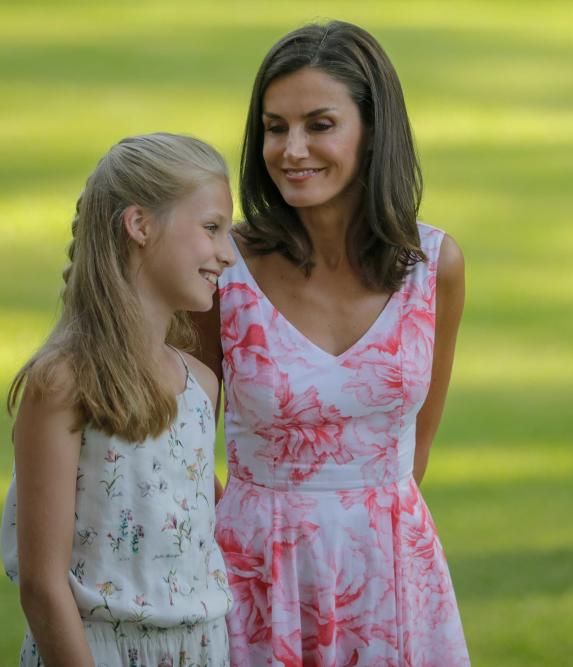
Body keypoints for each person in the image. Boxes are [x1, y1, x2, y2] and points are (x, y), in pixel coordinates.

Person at [194, 20, 470, 665]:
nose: (292, 150)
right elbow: (180, 445)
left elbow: (416, 447)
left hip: (394, 575)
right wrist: (246, 531)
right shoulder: (220, 266)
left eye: (320, 125)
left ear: (372, 132)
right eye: (274, 127)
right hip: (256, 578)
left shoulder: (435, 265)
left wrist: (360, 535)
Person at [1, 133, 236, 666]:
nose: (227, 252)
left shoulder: (201, 385)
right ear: (140, 225)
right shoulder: (63, 384)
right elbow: (42, 585)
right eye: (211, 228)